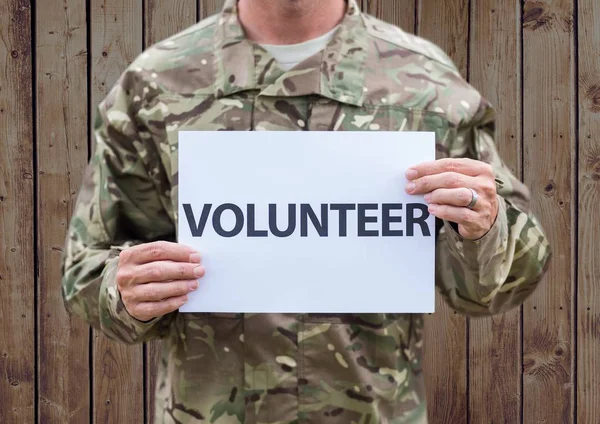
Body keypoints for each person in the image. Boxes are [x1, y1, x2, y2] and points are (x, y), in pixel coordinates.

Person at [61, 0, 552, 422]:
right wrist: (123, 290)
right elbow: (87, 269)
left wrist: (486, 229)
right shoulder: (155, 85)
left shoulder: (428, 87)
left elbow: (496, 286)